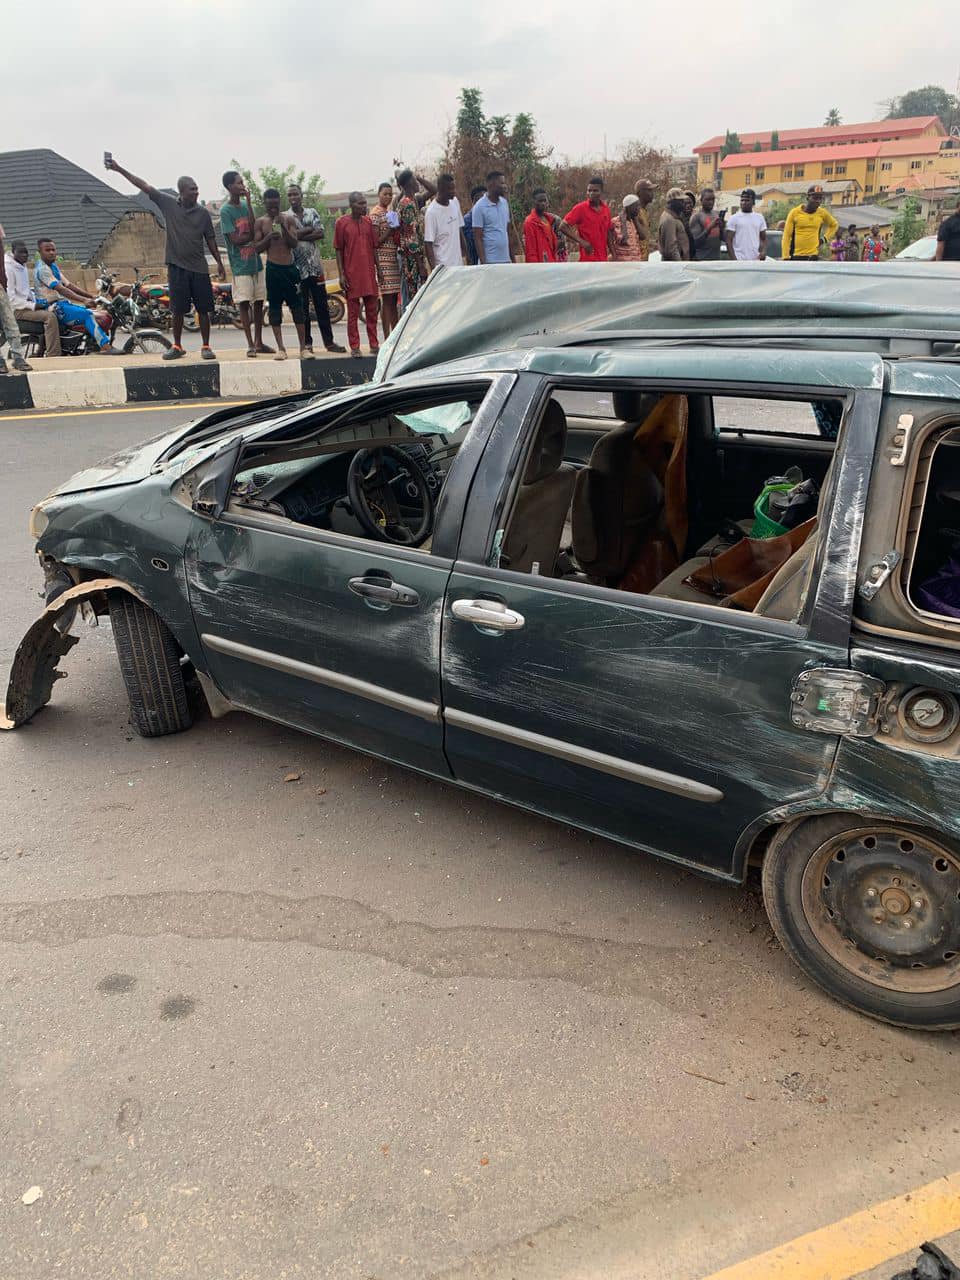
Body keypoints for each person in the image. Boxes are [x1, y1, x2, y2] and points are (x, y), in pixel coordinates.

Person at [106, 156, 225, 360]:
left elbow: (211, 240)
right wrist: (118, 169)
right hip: (177, 267)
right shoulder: (168, 204)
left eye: (197, 189)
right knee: (177, 310)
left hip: (199, 268)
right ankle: (177, 346)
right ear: (182, 192)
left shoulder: (203, 214)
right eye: (192, 189)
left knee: (204, 310)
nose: (196, 192)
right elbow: (143, 185)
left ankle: (206, 346)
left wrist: (220, 263)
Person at [287, 182, 345, 355]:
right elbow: (290, 238)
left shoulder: (312, 212)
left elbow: (320, 233)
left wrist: (300, 233)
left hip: (316, 268)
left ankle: (329, 342)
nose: (293, 197)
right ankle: (307, 344)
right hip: (298, 270)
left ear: (301, 195)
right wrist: (308, 230)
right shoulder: (286, 217)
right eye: (290, 195)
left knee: (322, 306)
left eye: (295, 194)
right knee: (302, 308)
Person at [219, 170, 271, 358]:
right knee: (244, 304)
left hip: (255, 263)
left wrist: (248, 203)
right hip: (240, 265)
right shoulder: (225, 211)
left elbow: (254, 226)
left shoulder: (244, 206)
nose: (243, 185)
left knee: (259, 303)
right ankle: (249, 343)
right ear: (230, 186)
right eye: (239, 183)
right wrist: (252, 237)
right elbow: (235, 239)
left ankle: (259, 342)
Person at [251, 188, 307, 360]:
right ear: (265, 204)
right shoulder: (260, 222)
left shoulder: (288, 219)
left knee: (297, 308)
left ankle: (303, 348)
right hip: (273, 269)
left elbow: (294, 243)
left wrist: (282, 226)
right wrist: (268, 238)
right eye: (270, 205)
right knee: (275, 310)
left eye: (276, 204)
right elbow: (256, 248)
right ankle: (281, 348)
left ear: (279, 202)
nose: (273, 208)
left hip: (290, 269)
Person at [33, 238, 115, 355]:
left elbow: (69, 285)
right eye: (47, 250)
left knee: (93, 312)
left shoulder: (53, 266)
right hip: (52, 307)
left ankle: (91, 344)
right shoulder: (43, 269)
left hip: (61, 304)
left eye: (53, 249)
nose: (51, 252)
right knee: (87, 315)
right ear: (40, 252)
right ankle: (105, 346)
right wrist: (84, 300)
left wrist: (91, 296)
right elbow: (61, 288)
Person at [333, 191, 380, 357]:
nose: (363, 206)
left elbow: (374, 247)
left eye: (364, 203)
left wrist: (379, 270)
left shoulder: (368, 222)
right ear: (351, 205)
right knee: (352, 313)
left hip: (368, 274)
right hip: (352, 275)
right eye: (360, 203)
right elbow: (338, 249)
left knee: (372, 312)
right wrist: (341, 274)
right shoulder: (341, 223)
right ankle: (355, 346)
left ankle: (374, 344)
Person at [5, 237, 55, 359]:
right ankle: (54, 355)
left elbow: (26, 291)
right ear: (13, 252)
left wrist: (38, 302)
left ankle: (41, 349)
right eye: (20, 252)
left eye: (26, 252)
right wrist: (33, 305)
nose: (24, 255)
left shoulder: (22, 266)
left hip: (26, 306)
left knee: (54, 311)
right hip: (17, 310)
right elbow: (10, 298)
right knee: (50, 317)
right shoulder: (9, 268)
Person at [396, 168, 436, 306]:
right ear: (409, 183)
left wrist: (418, 177)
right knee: (415, 298)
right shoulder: (406, 205)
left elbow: (433, 190)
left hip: (415, 257)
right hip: (412, 259)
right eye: (414, 180)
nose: (417, 183)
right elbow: (410, 238)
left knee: (419, 296)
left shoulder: (415, 201)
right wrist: (420, 264)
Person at [369, 182, 401, 338]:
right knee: (386, 300)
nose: (388, 196)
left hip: (393, 259)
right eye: (385, 194)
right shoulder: (375, 213)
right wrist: (390, 229)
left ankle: (395, 335)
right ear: (378, 194)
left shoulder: (390, 212)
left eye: (390, 194)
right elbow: (375, 242)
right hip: (383, 260)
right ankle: (387, 336)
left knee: (394, 299)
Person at [559, 176, 612, 262]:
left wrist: (614, 254)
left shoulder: (606, 210)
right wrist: (581, 242)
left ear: (601, 192)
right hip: (587, 260)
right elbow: (562, 226)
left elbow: (608, 232)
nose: (591, 193)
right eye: (589, 190)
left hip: (603, 260)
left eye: (595, 191)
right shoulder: (580, 208)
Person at [782, 185, 839, 261]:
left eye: (820, 198)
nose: (818, 201)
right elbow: (786, 236)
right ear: (808, 198)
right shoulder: (794, 213)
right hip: (796, 256)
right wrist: (785, 257)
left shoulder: (822, 213)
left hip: (813, 256)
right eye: (815, 198)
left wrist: (824, 239)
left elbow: (834, 225)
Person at [472, 171, 518, 265]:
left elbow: (507, 233)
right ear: (491, 185)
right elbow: (478, 237)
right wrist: (484, 263)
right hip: (490, 262)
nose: (505, 186)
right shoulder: (479, 207)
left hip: (505, 260)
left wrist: (512, 260)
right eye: (501, 183)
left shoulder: (504, 203)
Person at [424, 173, 467, 270]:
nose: (454, 192)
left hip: (458, 265)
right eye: (450, 189)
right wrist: (435, 270)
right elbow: (428, 244)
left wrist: (465, 255)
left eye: (454, 188)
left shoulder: (455, 202)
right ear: (441, 189)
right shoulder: (431, 212)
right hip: (443, 268)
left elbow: (459, 230)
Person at [724, 189, 767, 262]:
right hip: (739, 260)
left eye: (747, 200)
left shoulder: (759, 218)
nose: (744, 202)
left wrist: (763, 252)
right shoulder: (734, 218)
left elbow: (764, 238)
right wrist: (734, 260)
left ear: (753, 202)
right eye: (742, 200)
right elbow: (728, 241)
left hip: (755, 260)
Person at [688, 188, 725, 261]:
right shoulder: (696, 217)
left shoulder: (716, 214)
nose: (711, 202)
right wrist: (709, 228)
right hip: (701, 259)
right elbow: (696, 243)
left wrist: (721, 228)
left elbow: (724, 239)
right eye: (708, 199)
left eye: (713, 199)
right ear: (701, 200)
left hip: (716, 259)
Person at [523, 189, 558, 263]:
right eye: (540, 201)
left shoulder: (549, 220)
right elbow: (531, 251)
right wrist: (535, 268)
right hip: (540, 266)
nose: (543, 203)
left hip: (551, 262)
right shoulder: (529, 222)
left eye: (545, 201)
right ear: (534, 202)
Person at [609, 194, 646, 261]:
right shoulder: (616, 221)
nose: (639, 208)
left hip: (635, 261)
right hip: (622, 262)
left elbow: (643, 236)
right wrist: (614, 257)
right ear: (629, 207)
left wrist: (635, 219)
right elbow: (613, 241)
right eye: (637, 206)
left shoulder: (633, 221)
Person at [658, 187, 690, 261]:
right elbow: (671, 249)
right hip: (675, 266)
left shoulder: (673, 217)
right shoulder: (669, 220)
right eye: (681, 201)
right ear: (672, 202)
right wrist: (680, 266)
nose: (683, 204)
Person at [632, 178, 656, 261]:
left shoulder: (644, 211)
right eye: (649, 190)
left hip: (644, 260)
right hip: (636, 260)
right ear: (640, 193)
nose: (652, 193)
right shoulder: (635, 212)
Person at [462, 185, 486, 265]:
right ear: (476, 200)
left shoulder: (486, 217)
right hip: (476, 264)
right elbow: (471, 245)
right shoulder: (467, 221)